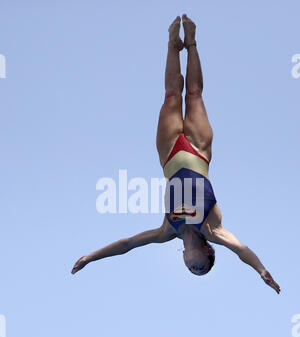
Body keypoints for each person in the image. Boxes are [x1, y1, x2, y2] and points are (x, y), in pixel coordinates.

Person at [71, 14, 280, 294]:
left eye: (192, 270)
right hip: (199, 151)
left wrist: (91, 257)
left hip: (169, 155)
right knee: (194, 94)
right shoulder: (213, 230)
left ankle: (172, 45)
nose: (195, 268)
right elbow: (241, 249)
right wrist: (261, 270)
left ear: (183, 257)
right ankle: (192, 43)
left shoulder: (167, 230)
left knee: (171, 95)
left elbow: (127, 244)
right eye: (202, 268)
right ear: (208, 253)